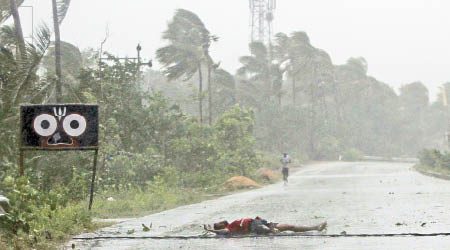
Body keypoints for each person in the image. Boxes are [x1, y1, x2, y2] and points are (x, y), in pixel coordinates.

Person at [203, 216, 327, 236]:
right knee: (264, 229)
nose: (220, 222)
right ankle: (271, 231)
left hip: (260, 222)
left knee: (290, 226)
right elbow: (223, 233)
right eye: (217, 224)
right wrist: (212, 230)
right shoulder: (229, 228)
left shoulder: (232, 222)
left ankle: (315, 227)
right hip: (254, 226)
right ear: (220, 226)